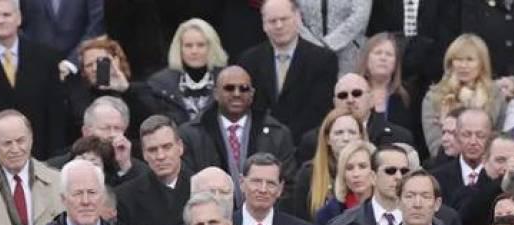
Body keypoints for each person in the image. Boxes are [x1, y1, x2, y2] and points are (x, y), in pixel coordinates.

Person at [0, 0, 66, 161]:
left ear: (19, 18)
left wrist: (56, 156)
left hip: (39, 152)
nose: (1, 20)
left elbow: (55, 112)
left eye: (6, 15)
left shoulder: (45, 57)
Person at [178, 65, 295, 191]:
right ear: (216, 94)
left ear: (252, 94)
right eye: (229, 88)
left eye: (244, 89)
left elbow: (287, 184)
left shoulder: (278, 134)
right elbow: (186, 183)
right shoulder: (191, 134)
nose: (237, 94)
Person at [238, 0, 338, 142]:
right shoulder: (249, 60)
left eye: (284, 19)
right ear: (264, 25)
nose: (279, 25)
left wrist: (285, 139)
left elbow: (319, 109)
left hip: (305, 144)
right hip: (260, 143)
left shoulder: (323, 60)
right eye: (272, 21)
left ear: (297, 18)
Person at [420, 34, 505, 161]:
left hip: (486, 163)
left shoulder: (495, 95)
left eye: (470, 60)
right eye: (458, 59)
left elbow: (499, 138)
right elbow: (436, 147)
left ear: (482, 63)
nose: (463, 65)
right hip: (446, 163)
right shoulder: (434, 97)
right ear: (450, 63)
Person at [139, 18, 226, 126]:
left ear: (212, 47)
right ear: (179, 48)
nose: (194, 51)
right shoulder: (160, 84)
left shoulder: (228, 79)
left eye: (201, 45)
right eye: (188, 46)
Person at [114, 115, 190, 225]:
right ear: (144, 154)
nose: (160, 156)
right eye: (152, 150)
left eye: (167, 147)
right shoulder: (125, 197)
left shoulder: (202, 187)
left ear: (180, 147)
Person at [235, 153, 315, 225]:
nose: (263, 190)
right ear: (242, 183)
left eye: (271, 183)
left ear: (280, 189)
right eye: (256, 181)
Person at [296, 110, 365, 222]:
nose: (346, 138)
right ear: (327, 139)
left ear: (361, 137)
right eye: (339, 133)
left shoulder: (374, 171)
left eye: (352, 132)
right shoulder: (309, 173)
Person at [358, 33, 416, 141]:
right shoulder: (353, 93)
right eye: (378, 53)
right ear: (366, 59)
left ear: (396, 63)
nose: (383, 58)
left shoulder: (406, 97)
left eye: (389, 54)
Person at [314, 139, 375, 225]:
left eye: (362, 166)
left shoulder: (390, 208)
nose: (356, 174)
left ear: (375, 170)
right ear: (342, 174)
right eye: (349, 168)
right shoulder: (327, 215)